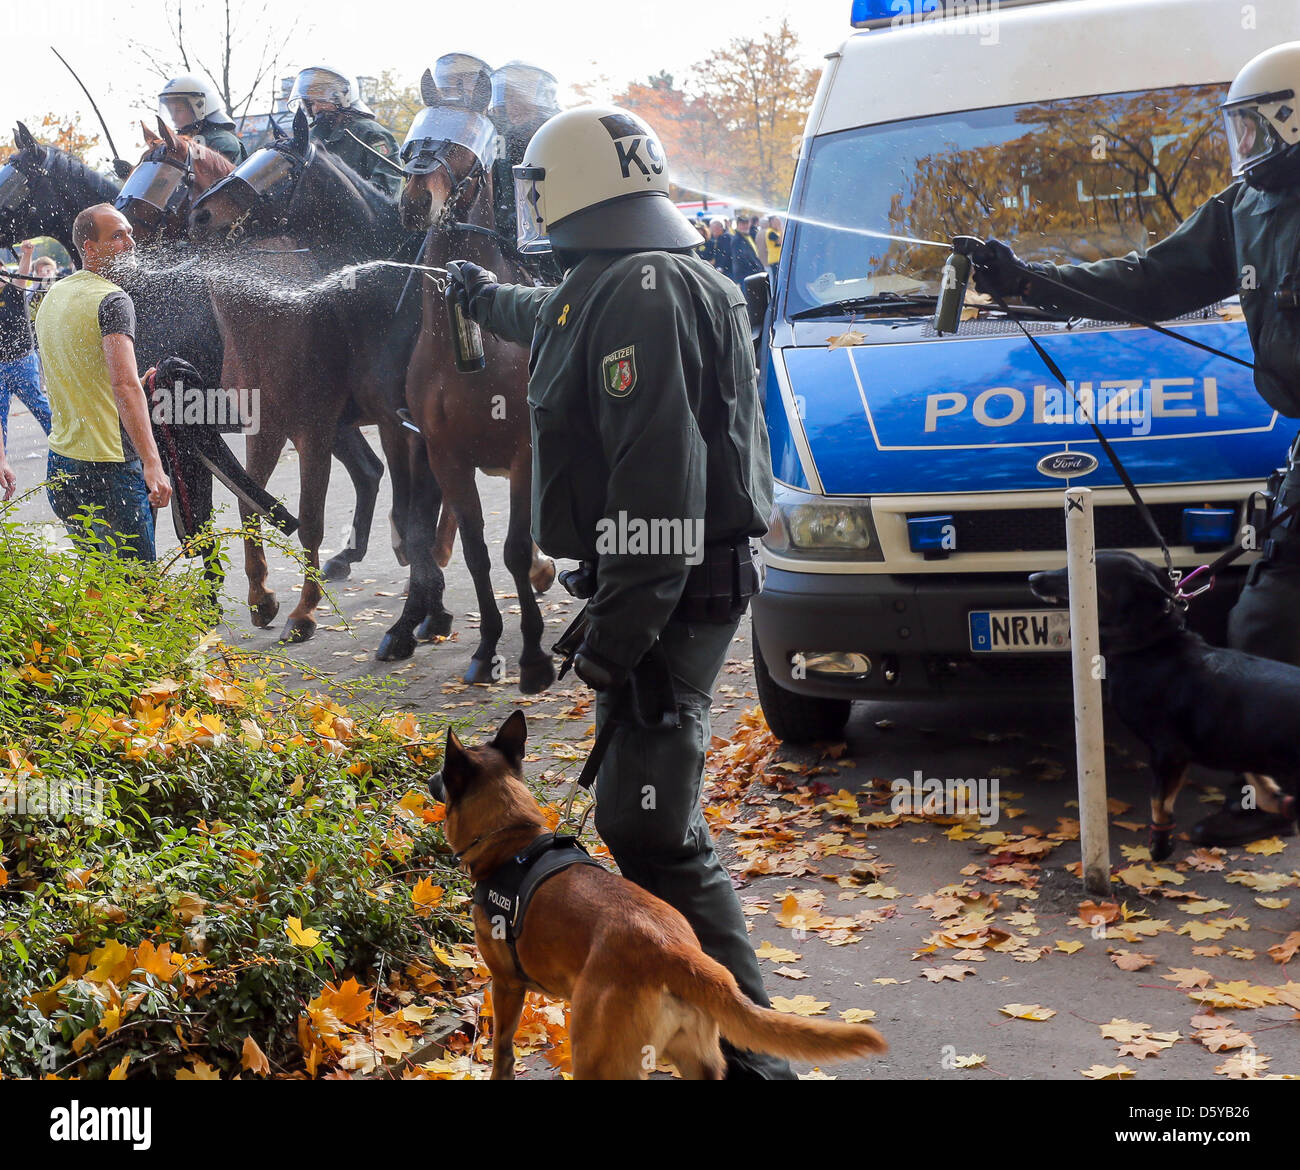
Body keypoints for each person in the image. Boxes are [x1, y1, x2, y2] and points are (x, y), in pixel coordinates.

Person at [445, 104, 790, 1079]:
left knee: (654, 828)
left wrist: (615, 636)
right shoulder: (621, 279)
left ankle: (756, 1065)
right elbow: (550, 319)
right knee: (653, 819)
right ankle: (731, 1051)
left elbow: (659, 493)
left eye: (539, 190)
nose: (532, 207)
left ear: (579, 194)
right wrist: (481, 297)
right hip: (659, 591)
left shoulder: (640, 293)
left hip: (667, 592)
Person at [970, 40, 1300, 847]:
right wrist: (1024, 283)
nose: (1243, 148)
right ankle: (1273, 799)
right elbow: (1150, 279)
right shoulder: (1247, 209)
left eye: (1254, 130)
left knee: (1268, 623)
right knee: (1265, 625)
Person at [34, 204, 171, 561]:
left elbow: (73, 367)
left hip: (62, 465)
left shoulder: (55, 295)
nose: (130, 242)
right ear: (90, 248)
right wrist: (152, 462)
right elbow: (123, 386)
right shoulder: (112, 299)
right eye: (117, 236)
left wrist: (133, 386)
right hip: (108, 469)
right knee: (136, 590)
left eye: (128, 233)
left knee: (100, 588)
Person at [288, 65, 402, 198]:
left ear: (342, 98)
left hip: (361, 218)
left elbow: (386, 192)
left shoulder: (371, 135)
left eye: (321, 101)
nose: (316, 109)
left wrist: (337, 200)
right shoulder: (313, 139)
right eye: (312, 103)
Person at [0, 240, 52, 449]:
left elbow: (22, 277)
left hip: (22, 359)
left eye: (2, 270)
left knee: (41, 407)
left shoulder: (14, 289)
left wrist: (27, 254)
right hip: (0, 365)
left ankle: (62, 446)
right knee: (0, 416)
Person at [158, 73, 248, 165]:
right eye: (170, 111)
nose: (173, 117)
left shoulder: (223, 143)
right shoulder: (178, 144)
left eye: (178, 110)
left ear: (198, 108)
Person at [730, 212, 765, 285]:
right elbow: (740, 259)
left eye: (746, 223)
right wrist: (756, 269)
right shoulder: (737, 240)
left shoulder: (749, 236)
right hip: (747, 276)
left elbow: (754, 254)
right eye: (742, 224)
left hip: (753, 274)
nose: (745, 226)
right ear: (737, 225)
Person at [764, 215, 783, 282]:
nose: (778, 223)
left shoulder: (775, 231)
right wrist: (780, 227)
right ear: (771, 222)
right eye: (776, 221)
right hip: (774, 260)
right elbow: (780, 241)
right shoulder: (770, 232)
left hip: (777, 259)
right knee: (777, 280)